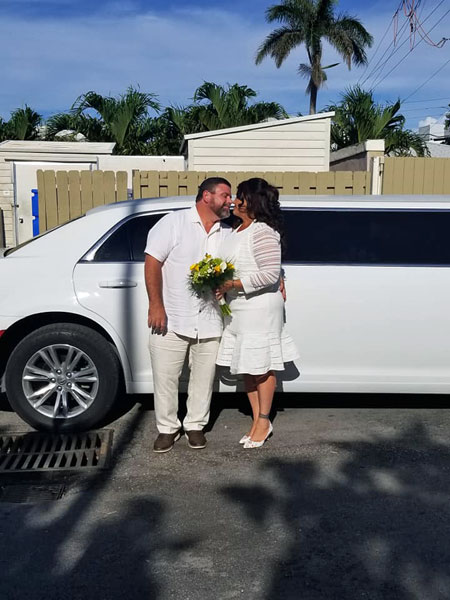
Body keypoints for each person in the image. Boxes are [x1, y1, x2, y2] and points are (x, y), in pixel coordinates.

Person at [144, 177, 232, 453]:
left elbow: (245, 263)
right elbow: (152, 263)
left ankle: (195, 425)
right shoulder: (174, 223)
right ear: (207, 196)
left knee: (203, 379)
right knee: (166, 377)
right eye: (225, 195)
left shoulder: (227, 232)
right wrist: (156, 305)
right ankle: (167, 429)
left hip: (209, 319)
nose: (230, 200)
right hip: (172, 317)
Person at [215, 178, 298, 449]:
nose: (235, 200)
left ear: (253, 201)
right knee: (247, 367)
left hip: (259, 307)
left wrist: (232, 284)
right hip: (239, 308)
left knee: (261, 366)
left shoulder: (263, 231)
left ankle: (263, 420)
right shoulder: (238, 230)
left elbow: (270, 273)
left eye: (240, 196)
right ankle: (257, 420)